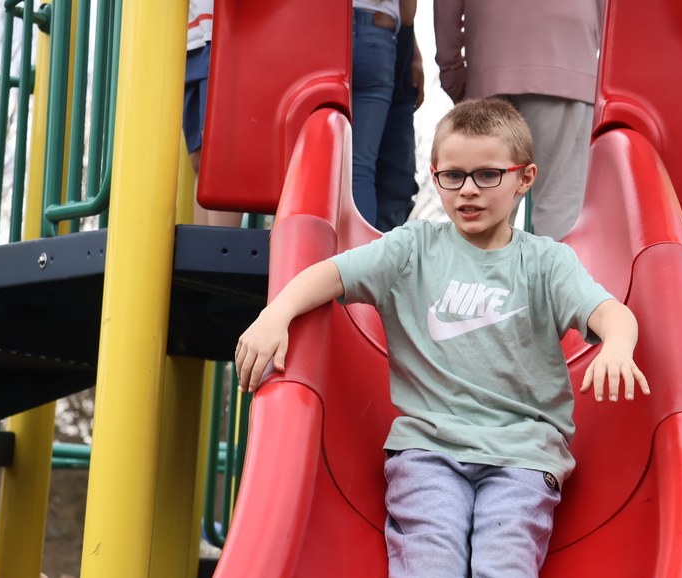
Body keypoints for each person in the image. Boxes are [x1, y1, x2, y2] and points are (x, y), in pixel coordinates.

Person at [235, 98, 649, 575]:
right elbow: (330, 274)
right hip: (429, 449)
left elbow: (611, 313)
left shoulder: (546, 262)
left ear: (525, 178)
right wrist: (276, 313)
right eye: (452, 176)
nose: (468, 190)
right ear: (436, 176)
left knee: (505, 559)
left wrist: (617, 345)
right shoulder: (413, 248)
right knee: (431, 556)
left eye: (487, 174)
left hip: (522, 453)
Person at [434, 0, 604, 241]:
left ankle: (476, 277)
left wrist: (451, 70)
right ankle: (557, 278)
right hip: (567, 53)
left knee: (484, 195)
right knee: (559, 199)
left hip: (489, 57)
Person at [352, 0, 424, 232]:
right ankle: (358, 263)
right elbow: (408, 11)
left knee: (304, 162)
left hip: (315, 29)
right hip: (376, 33)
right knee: (360, 168)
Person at [184, 0, 242, 227]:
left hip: (220, 31)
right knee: (198, 157)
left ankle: (221, 249)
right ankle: (206, 250)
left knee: (218, 152)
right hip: (190, 38)